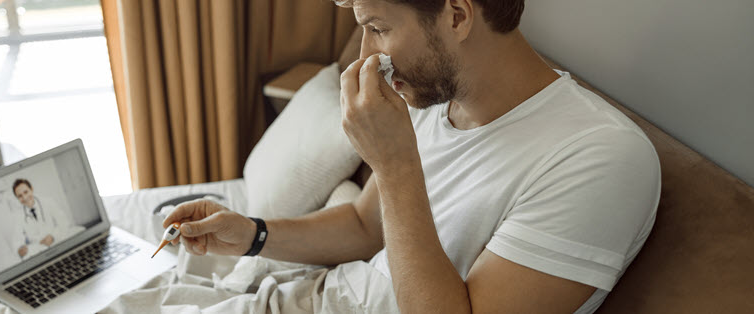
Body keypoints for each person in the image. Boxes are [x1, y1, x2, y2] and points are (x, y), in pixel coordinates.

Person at [163, 0, 660, 313]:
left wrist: (396, 164)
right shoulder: (433, 99)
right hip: (314, 296)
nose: (364, 58)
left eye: (376, 26)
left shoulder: (600, 156)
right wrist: (252, 234)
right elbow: (364, 227)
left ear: (458, 15)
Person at [12, 178, 81, 258]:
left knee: (78, 232)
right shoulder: (18, 216)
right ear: (17, 198)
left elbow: (64, 222)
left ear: (31, 189)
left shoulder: (48, 202)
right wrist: (20, 248)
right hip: (38, 249)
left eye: (26, 192)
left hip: (57, 239)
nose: (24, 197)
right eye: (20, 196)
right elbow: (17, 240)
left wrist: (53, 236)